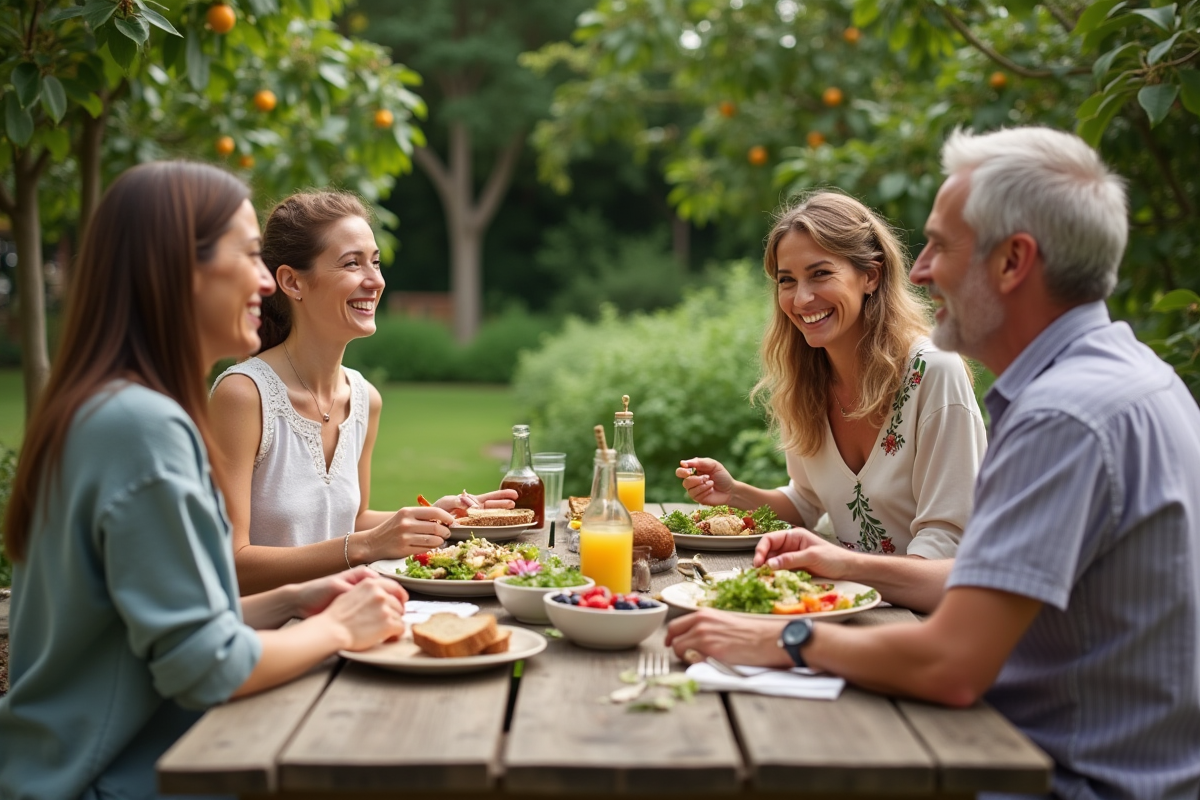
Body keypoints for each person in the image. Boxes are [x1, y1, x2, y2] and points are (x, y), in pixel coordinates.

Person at [667, 127, 1200, 799]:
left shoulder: (1064, 417)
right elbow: (968, 590)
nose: (918, 271)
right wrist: (839, 563)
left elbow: (950, 664)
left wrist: (786, 637)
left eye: (942, 246)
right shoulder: (1133, 380)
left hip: (1060, 776)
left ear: (1013, 261)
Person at [0, 162, 410, 800]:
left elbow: (165, 628)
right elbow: (205, 667)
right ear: (177, 271)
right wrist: (338, 627)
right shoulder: (141, 429)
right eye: (248, 255)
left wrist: (299, 599)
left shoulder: (116, 411)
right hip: (110, 780)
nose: (262, 281)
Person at [677, 192, 986, 605]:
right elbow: (806, 501)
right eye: (787, 280)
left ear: (871, 276)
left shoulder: (933, 373)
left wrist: (843, 571)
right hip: (844, 605)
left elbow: (949, 549)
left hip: (926, 625)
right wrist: (733, 492)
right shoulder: (804, 381)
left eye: (820, 273)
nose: (801, 298)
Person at [208, 191, 515, 595]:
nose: (375, 281)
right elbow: (230, 561)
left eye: (375, 261)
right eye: (352, 263)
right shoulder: (243, 395)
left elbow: (350, 520)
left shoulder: (364, 398)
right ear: (292, 281)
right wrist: (369, 545)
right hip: (270, 641)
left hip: (347, 621)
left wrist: (434, 518)